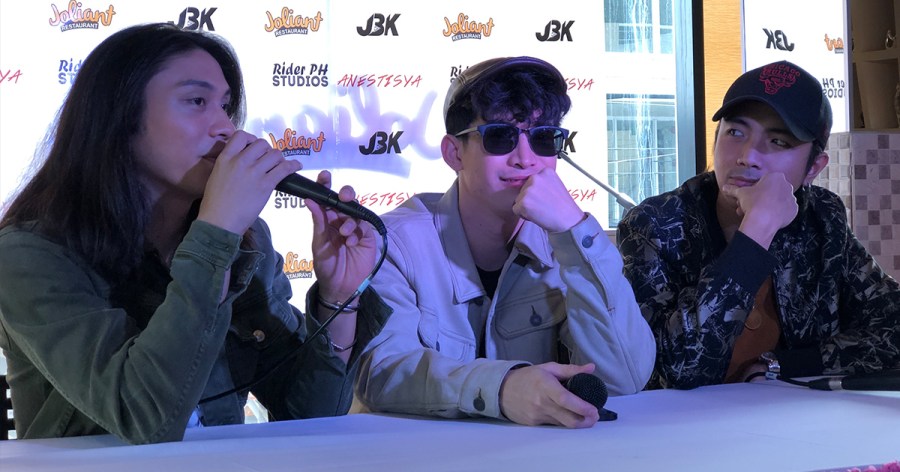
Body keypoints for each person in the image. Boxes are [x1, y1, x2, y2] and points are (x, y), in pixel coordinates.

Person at [0, 23, 390, 444]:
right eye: (196, 101)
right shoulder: (30, 256)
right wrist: (216, 233)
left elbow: (311, 414)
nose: (225, 127)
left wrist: (338, 298)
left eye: (225, 106)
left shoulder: (247, 239)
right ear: (119, 118)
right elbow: (144, 419)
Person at [354, 56, 655, 429]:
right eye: (500, 136)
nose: (526, 159)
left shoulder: (568, 243)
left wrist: (574, 231)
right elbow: (383, 373)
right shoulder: (396, 243)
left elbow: (625, 377)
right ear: (454, 153)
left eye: (543, 138)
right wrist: (501, 388)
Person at [617, 60, 900, 389]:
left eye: (778, 142)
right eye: (735, 132)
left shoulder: (821, 217)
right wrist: (756, 231)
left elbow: (893, 325)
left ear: (813, 168)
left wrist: (785, 365)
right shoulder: (655, 226)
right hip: (684, 420)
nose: (748, 156)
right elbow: (679, 369)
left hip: (796, 415)